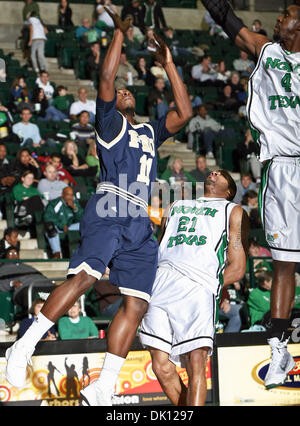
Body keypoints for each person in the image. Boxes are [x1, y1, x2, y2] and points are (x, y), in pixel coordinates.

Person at [5, 10, 192, 406]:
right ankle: (24, 344)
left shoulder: (147, 131)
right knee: (86, 279)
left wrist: (170, 63)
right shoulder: (111, 125)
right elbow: (106, 78)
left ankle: (103, 384)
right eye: (120, 92)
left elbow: (185, 112)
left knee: (138, 301)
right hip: (110, 203)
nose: (123, 91)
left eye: (128, 91)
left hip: (141, 217)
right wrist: (120, 34)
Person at [200, 0, 300, 389]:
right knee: (283, 263)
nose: (279, 19)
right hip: (283, 168)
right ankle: (279, 344)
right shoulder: (267, 50)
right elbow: (233, 25)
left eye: (286, 15)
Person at [139, 170, 249, 405]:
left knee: (196, 360)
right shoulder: (177, 204)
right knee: (159, 364)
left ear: (229, 191)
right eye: (213, 171)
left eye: (221, 174)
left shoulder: (232, 210)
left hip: (198, 285)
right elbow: (161, 246)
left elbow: (238, 267)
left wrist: (213, 286)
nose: (214, 172)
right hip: (162, 280)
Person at [44, 186, 84, 259]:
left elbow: (81, 218)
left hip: (70, 227)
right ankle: (57, 253)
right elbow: (48, 217)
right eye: (68, 194)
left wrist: (74, 208)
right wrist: (62, 225)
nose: (70, 197)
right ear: (62, 195)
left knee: (85, 225)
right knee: (50, 228)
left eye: (72, 195)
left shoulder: (74, 203)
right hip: (58, 227)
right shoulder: (55, 203)